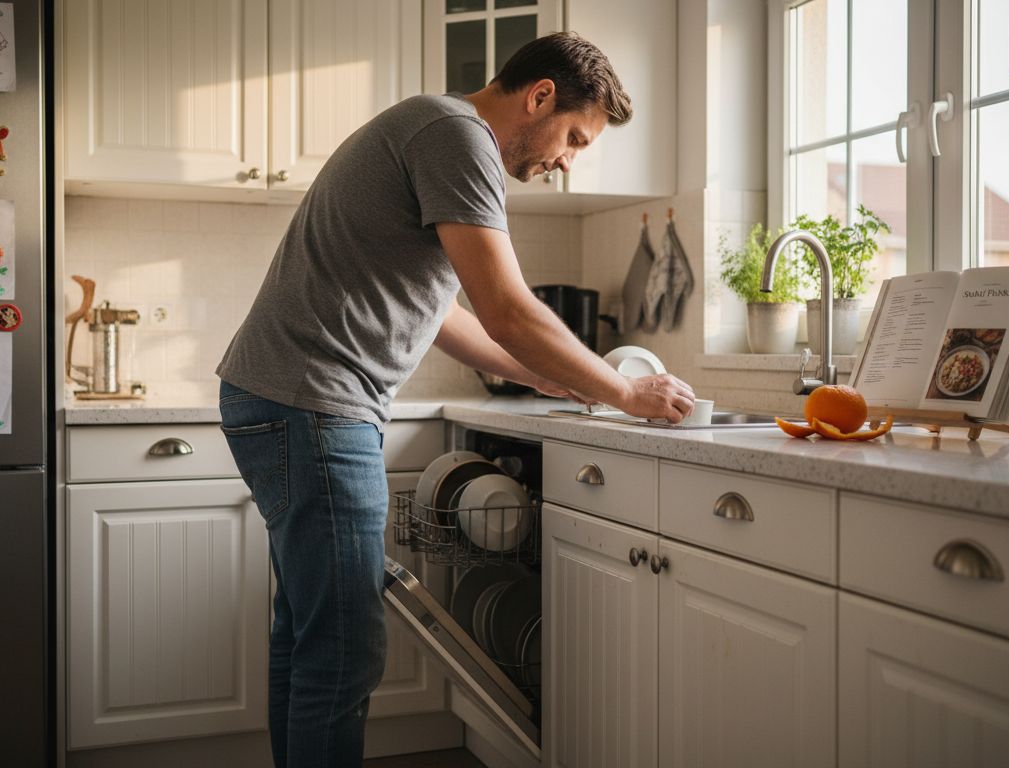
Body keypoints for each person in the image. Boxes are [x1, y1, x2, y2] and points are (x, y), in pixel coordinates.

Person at [215, 31, 695, 767]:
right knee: (345, 649)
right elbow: (507, 306)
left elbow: (442, 313)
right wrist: (625, 388)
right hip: (313, 404)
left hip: (286, 399)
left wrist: (541, 374)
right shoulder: (458, 137)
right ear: (538, 96)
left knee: (311, 635)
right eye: (574, 136)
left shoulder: (435, 129)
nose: (567, 160)